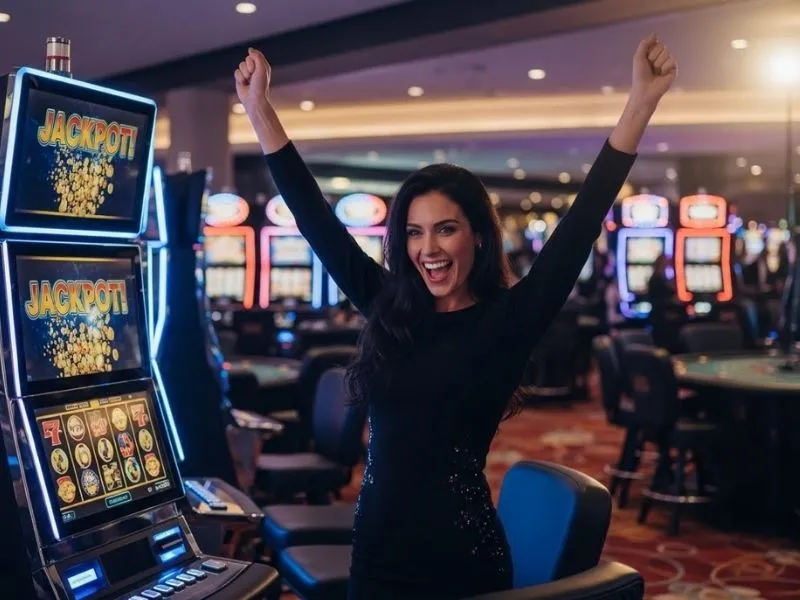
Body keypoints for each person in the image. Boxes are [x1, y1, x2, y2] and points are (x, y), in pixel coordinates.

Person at [235, 34, 676, 600]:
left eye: (446, 228)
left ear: (476, 236)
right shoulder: (390, 307)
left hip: (460, 563)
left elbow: (582, 222)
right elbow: (315, 220)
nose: (428, 249)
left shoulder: (510, 321)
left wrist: (641, 101)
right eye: (415, 232)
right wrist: (259, 110)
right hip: (374, 550)